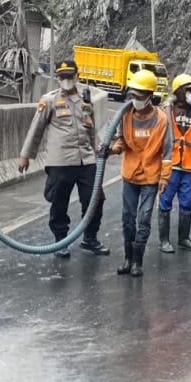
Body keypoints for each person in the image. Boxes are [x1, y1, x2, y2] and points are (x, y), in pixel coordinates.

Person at [17, 60, 105, 259]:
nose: (66, 80)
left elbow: (90, 127)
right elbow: (36, 129)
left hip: (86, 160)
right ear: (57, 78)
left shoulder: (85, 100)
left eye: (69, 76)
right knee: (59, 203)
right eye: (62, 76)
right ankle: (60, 241)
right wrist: (25, 155)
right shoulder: (49, 100)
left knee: (95, 199)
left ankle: (90, 238)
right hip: (61, 161)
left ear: (77, 76)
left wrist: (98, 146)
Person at [107, 69, 173, 277]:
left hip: (151, 177)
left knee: (143, 218)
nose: (134, 98)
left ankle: (138, 261)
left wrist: (164, 177)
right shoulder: (125, 115)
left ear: (150, 96)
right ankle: (127, 259)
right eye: (132, 94)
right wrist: (112, 150)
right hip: (130, 175)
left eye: (139, 95)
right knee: (128, 217)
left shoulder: (161, 119)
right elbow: (121, 141)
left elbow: (167, 150)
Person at [158, 73, 191, 254]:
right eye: (189, 90)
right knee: (165, 202)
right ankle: (164, 240)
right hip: (169, 166)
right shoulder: (166, 110)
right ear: (179, 91)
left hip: (187, 166)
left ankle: (183, 238)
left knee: (188, 203)